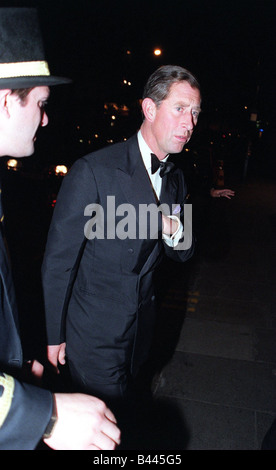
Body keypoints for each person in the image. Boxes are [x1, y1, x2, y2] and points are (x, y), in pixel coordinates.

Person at [42, 65, 201, 407]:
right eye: (180, 109)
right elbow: (59, 262)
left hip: (141, 334)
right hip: (93, 336)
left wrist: (173, 229)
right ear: (149, 108)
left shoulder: (176, 179)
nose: (190, 124)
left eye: (195, 113)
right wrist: (53, 336)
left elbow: (184, 252)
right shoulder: (94, 171)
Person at [0, 8, 120, 450]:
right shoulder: (92, 171)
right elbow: (59, 260)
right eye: (41, 104)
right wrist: (44, 417)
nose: (46, 119)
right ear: (5, 99)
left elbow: (181, 245)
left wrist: (12, 368)